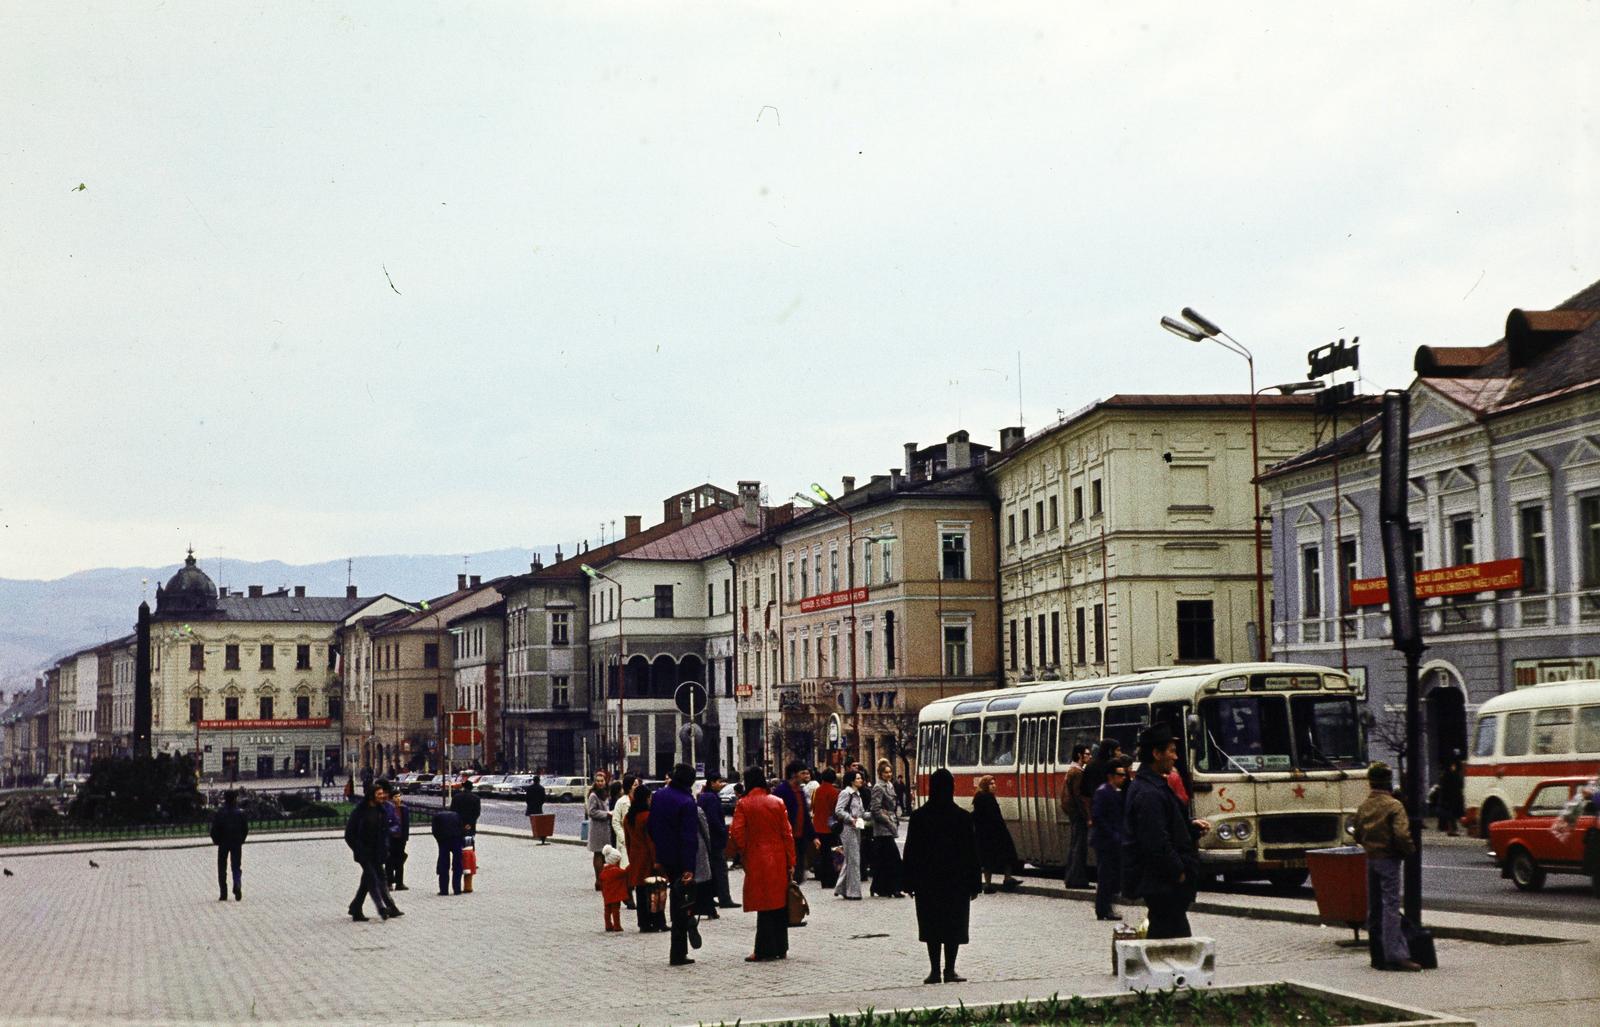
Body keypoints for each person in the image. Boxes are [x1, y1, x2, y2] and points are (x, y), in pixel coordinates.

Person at [1120, 726, 1207, 939]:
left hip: (1162, 882)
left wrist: (1190, 827)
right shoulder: (1149, 792)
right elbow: (1155, 839)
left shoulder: (1153, 785)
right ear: (1156, 754)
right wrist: (1179, 871)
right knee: (1172, 941)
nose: (1175, 757)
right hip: (1163, 882)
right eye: (1171, 751)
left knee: (1167, 936)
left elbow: (1165, 824)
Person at [902, 768, 981, 984]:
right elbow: (972, 853)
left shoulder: (919, 817)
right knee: (953, 925)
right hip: (956, 882)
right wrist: (975, 884)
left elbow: (911, 852)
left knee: (932, 925)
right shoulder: (962, 818)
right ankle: (950, 969)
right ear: (951, 789)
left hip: (928, 882)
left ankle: (934, 970)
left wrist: (908, 882)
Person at [1354, 761, 1421, 972]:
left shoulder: (1364, 806)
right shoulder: (1394, 806)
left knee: (1374, 907)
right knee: (1390, 906)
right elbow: (1401, 834)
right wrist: (1409, 850)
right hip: (1389, 859)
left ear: (1371, 782)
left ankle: (1376, 955)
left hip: (1370, 858)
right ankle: (1395, 955)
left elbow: (1356, 833)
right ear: (1388, 782)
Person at [730, 766, 796, 961]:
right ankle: (781, 947)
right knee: (779, 903)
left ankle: (764, 949)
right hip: (778, 857)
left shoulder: (743, 804)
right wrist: (791, 860)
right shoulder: (777, 802)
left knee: (764, 905)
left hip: (757, 858)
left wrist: (744, 852)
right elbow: (787, 834)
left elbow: (737, 832)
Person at [649, 764, 704, 965]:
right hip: (681, 858)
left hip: (664, 856)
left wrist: (659, 854)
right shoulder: (687, 802)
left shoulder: (659, 795)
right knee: (683, 903)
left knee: (676, 898)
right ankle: (678, 952)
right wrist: (689, 866)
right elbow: (689, 837)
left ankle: (678, 948)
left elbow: (651, 826)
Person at [345, 780, 402, 921]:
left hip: (377, 852)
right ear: (371, 796)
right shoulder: (360, 812)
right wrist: (357, 848)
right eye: (379, 794)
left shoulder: (381, 811)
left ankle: (355, 908)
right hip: (364, 852)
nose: (382, 796)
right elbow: (349, 834)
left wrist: (385, 849)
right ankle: (382, 908)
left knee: (376, 879)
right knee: (372, 879)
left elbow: (383, 833)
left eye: (382, 793)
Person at [1089, 757, 1131, 921]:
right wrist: (1113, 835)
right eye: (1120, 775)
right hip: (1105, 841)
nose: (1123, 777)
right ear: (1111, 776)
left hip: (1113, 840)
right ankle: (1103, 909)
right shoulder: (1103, 792)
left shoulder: (1114, 792)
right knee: (1106, 877)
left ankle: (1106, 907)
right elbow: (1098, 817)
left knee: (1112, 876)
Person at [970, 775, 1020, 893]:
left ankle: (988, 884)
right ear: (985, 785)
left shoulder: (979, 797)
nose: (994, 785)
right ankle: (1007, 878)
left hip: (984, 834)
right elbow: (994, 816)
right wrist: (1002, 827)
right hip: (994, 832)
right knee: (1007, 853)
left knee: (988, 860)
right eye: (991, 784)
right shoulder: (987, 798)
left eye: (994, 783)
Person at [625, 785, 664, 933]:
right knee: (655, 891)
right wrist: (657, 860)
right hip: (648, 858)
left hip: (635, 857)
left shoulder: (628, 817)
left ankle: (643, 922)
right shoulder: (647, 817)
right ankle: (657, 921)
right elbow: (651, 841)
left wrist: (631, 857)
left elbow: (628, 841)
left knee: (641, 892)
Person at [697, 770, 737, 911]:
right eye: (719, 781)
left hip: (706, 840)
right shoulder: (712, 798)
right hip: (715, 840)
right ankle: (724, 898)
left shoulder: (703, 797)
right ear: (712, 783)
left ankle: (710, 897)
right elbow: (714, 820)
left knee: (711, 870)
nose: (722, 784)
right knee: (720, 869)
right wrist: (723, 832)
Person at [771, 762, 815, 885]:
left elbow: (805, 815)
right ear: (793, 775)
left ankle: (792, 895)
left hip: (800, 837)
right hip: (786, 837)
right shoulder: (781, 791)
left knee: (799, 871)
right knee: (788, 871)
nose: (806, 776)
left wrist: (813, 836)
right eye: (802, 773)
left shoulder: (800, 791)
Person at [869, 759, 904, 897]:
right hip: (882, 827)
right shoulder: (878, 787)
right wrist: (888, 822)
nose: (888, 774)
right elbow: (875, 809)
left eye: (890, 772)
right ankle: (894, 888)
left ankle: (879, 887)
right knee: (894, 859)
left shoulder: (890, 785)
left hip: (890, 822)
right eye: (885, 772)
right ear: (880, 774)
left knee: (883, 859)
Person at [1059, 744, 1092, 888]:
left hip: (1072, 812)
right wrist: (1087, 815)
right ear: (1079, 755)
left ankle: (1071, 878)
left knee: (1074, 845)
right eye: (1087, 754)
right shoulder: (1078, 773)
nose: (1090, 756)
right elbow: (1079, 796)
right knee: (1079, 846)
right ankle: (1078, 879)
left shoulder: (1071, 771)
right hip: (1078, 814)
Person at [833, 769, 868, 900]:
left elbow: (862, 813)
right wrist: (850, 818)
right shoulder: (846, 793)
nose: (861, 780)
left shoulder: (857, 794)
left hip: (856, 828)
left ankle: (841, 888)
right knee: (854, 859)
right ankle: (854, 892)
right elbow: (838, 810)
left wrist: (874, 815)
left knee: (850, 859)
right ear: (852, 780)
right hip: (847, 829)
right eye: (858, 778)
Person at [209, 789, 248, 902]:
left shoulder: (220, 813)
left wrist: (216, 840)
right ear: (235, 799)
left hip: (223, 843)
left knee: (222, 867)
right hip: (236, 843)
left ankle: (223, 893)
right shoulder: (240, 813)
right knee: (236, 866)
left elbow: (214, 830)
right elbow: (245, 829)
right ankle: (237, 883)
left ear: (225, 799)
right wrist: (241, 840)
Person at [810, 768, 841, 888]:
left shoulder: (816, 791)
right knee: (832, 854)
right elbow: (835, 809)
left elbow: (813, 806)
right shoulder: (835, 792)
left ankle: (823, 879)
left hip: (818, 826)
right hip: (830, 827)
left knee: (822, 854)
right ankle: (831, 879)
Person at [585, 772, 613, 890]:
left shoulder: (606, 793)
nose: (600, 783)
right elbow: (591, 812)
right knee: (598, 853)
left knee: (603, 854)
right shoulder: (593, 795)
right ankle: (599, 881)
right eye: (598, 781)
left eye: (602, 780)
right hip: (597, 828)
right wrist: (607, 814)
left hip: (605, 828)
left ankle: (603, 879)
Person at [431, 806, 465, 896]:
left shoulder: (437, 816)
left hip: (444, 841)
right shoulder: (457, 815)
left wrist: (439, 840)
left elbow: (434, 830)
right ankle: (457, 889)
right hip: (456, 839)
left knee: (443, 864)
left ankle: (444, 890)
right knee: (457, 865)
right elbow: (462, 829)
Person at [385, 788, 411, 891]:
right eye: (396, 796)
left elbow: (406, 824)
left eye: (399, 796)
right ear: (391, 798)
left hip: (401, 838)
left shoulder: (404, 809)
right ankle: (389, 883)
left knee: (400, 861)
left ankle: (399, 883)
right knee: (389, 861)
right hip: (390, 838)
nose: (398, 798)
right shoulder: (388, 808)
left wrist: (405, 837)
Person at [599, 845, 628, 932]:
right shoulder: (616, 871)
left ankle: (608, 925)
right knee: (616, 911)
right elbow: (626, 872)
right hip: (615, 896)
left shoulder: (604, 872)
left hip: (607, 895)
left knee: (607, 910)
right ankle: (617, 925)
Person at [1436, 754, 1464, 837]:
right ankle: (1450, 829)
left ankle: (1449, 828)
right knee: (1449, 813)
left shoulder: (1448, 774)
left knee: (1449, 813)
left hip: (1449, 796)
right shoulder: (1449, 774)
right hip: (1448, 796)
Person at [525, 771, 548, 843]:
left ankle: (535, 833)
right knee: (539, 821)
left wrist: (529, 804)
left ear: (533, 781)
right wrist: (540, 804)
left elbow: (527, 799)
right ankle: (540, 835)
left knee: (533, 821)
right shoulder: (541, 788)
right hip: (538, 807)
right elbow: (543, 799)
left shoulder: (529, 788)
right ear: (539, 781)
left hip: (531, 807)